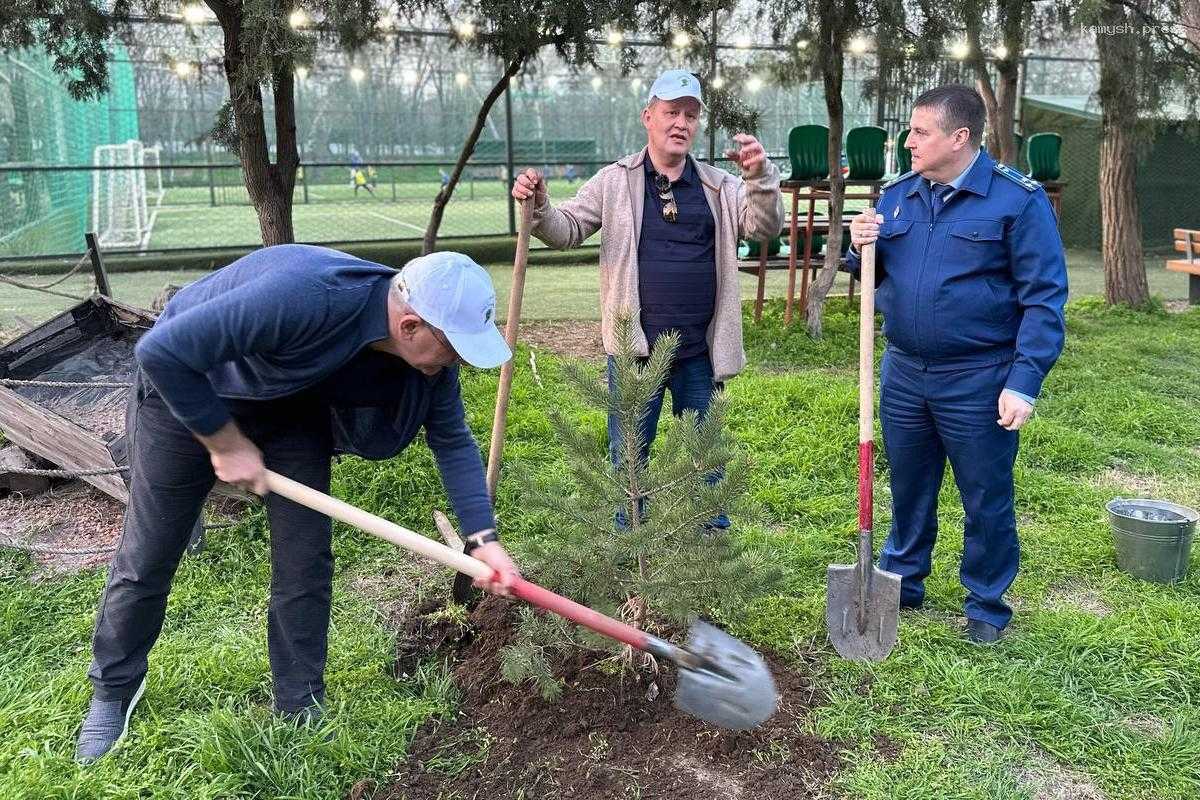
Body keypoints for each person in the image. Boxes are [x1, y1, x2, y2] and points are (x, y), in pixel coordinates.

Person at [75, 247, 521, 763]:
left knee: (305, 560)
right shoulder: (305, 297)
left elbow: (452, 438)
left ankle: (298, 701)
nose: (457, 361)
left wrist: (483, 538)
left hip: (290, 407)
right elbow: (161, 351)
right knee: (149, 554)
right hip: (188, 390)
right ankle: (113, 689)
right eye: (454, 348)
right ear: (410, 325)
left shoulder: (428, 365)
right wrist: (225, 442)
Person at [512, 69, 783, 529]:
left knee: (705, 458)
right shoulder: (614, 181)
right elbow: (566, 230)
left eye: (691, 115)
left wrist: (759, 178)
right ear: (648, 117)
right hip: (635, 352)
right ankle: (631, 542)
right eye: (672, 112)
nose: (681, 123)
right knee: (629, 457)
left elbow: (764, 226)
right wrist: (537, 205)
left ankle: (708, 545)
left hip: (699, 352)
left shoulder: (719, 186)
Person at [847, 85, 1068, 644]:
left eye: (920, 132)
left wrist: (1024, 382)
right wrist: (859, 245)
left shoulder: (1017, 201)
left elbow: (1044, 299)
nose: (908, 141)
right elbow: (874, 272)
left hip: (979, 377)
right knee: (909, 487)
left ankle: (986, 604)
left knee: (985, 495)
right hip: (904, 372)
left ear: (959, 137)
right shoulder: (898, 196)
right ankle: (903, 580)